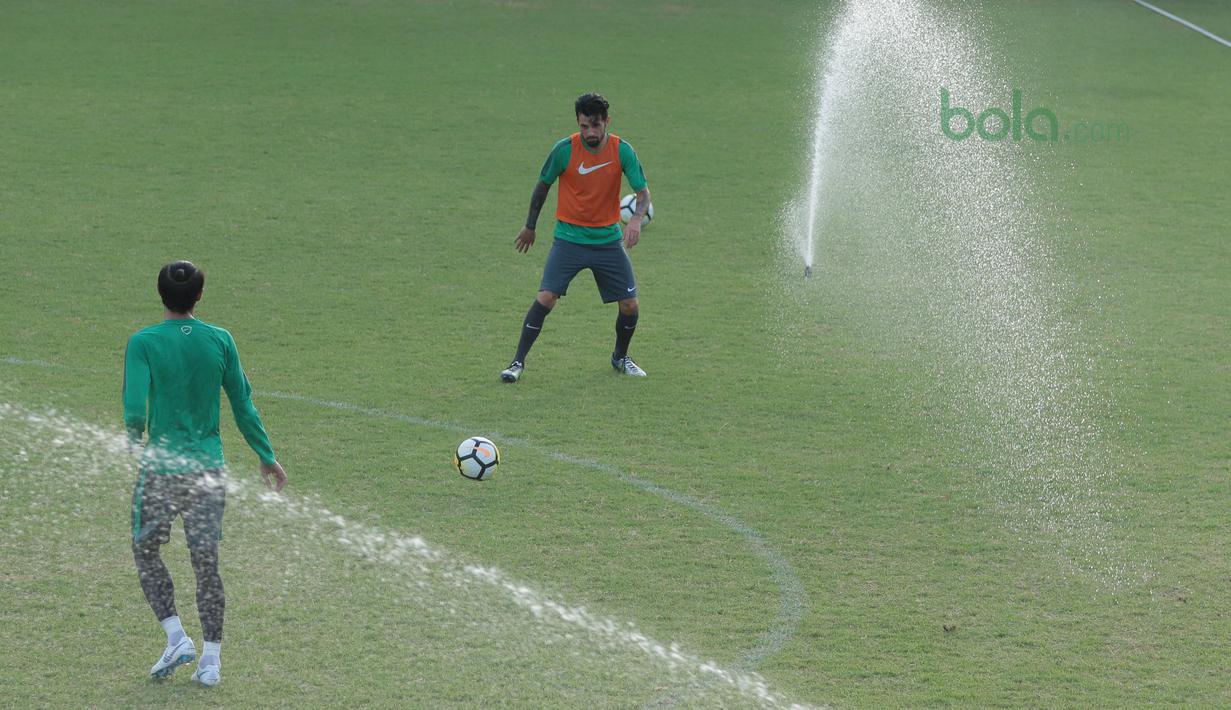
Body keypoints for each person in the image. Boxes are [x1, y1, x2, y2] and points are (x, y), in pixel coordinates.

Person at [123, 260, 286, 687]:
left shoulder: (143, 342)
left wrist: (130, 440)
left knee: (145, 551)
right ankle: (211, 660)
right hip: (208, 471)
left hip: (160, 469)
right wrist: (266, 455)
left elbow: (135, 406)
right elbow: (243, 403)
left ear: (160, 294)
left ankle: (177, 636)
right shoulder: (221, 340)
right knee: (206, 563)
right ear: (199, 296)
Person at [500, 92, 653, 383]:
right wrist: (530, 226)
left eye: (596, 125)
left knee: (630, 305)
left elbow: (643, 194)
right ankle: (517, 362)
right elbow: (542, 187)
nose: (590, 133)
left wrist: (635, 219)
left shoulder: (623, 151)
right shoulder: (564, 150)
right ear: (578, 123)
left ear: (607, 121)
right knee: (546, 297)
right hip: (569, 240)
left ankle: (620, 357)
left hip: (607, 241)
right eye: (584, 126)